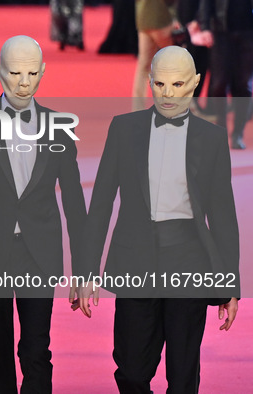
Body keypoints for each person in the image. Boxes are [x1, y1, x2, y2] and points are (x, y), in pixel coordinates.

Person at [77, 46, 239, 393]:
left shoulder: (211, 138)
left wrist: (230, 285)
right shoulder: (124, 128)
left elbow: (223, 215)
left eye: (178, 84)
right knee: (131, 370)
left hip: (189, 260)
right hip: (136, 258)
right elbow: (101, 203)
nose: (168, 94)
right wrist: (86, 270)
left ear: (195, 84)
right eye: (160, 84)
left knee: (182, 376)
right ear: (149, 82)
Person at [0, 35, 86, 393]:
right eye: (15, 72)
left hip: (39, 255)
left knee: (35, 352)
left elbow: (74, 202)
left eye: (32, 73)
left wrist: (83, 269)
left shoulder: (58, 125)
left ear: (43, 72)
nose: (23, 82)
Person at [197, 0, 253, 150]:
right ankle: (220, 131)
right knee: (219, 85)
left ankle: (237, 135)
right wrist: (205, 27)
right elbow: (206, 3)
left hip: (248, 35)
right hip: (221, 33)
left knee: (243, 85)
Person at [131, 0, 175, 110]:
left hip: (144, 18)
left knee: (143, 67)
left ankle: (137, 109)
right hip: (162, 19)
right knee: (177, 63)